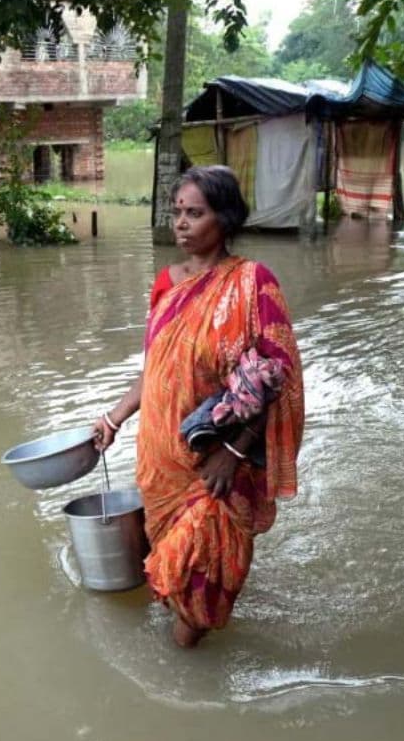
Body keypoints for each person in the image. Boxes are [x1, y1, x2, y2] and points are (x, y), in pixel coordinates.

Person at [93, 165, 304, 648]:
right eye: (177, 212)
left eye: (196, 213)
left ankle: (181, 672)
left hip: (216, 461)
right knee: (173, 568)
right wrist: (113, 417)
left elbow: (277, 375)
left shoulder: (254, 283)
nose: (181, 224)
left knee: (200, 582)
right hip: (161, 456)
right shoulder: (167, 283)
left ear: (225, 219)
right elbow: (156, 368)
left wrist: (233, 452)